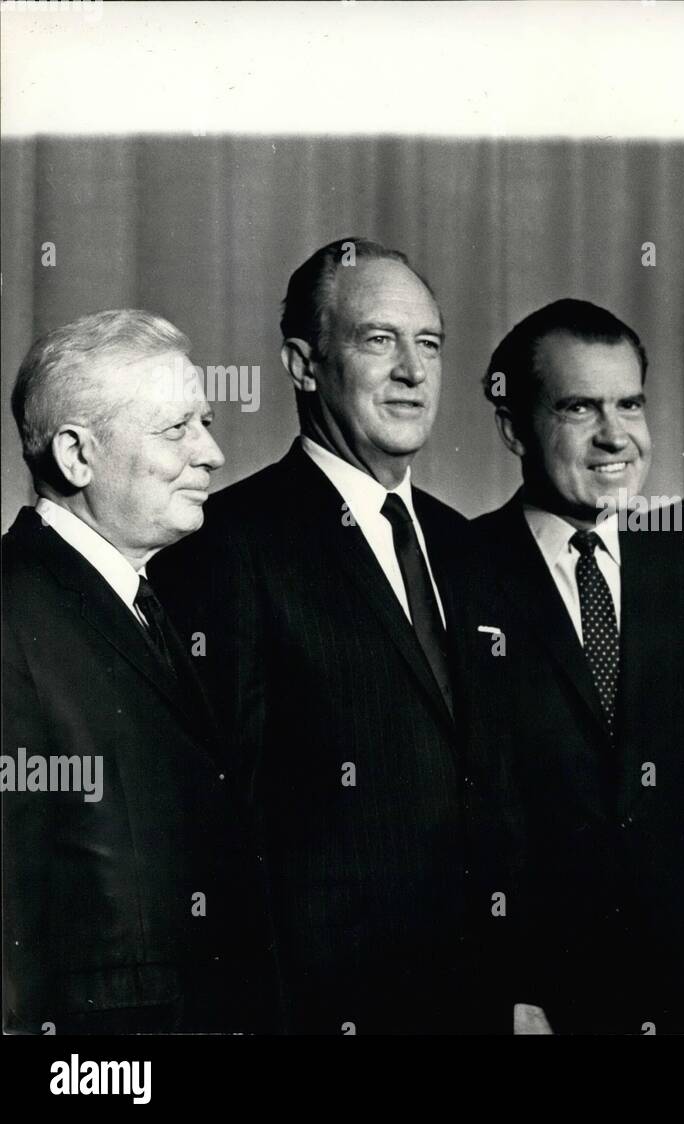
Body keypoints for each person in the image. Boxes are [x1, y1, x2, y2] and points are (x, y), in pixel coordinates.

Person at [151, 238, 497, 1034]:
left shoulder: (467, 547)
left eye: (430, 344)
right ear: (304, 365)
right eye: (379, 340)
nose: (413, 370)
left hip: (474, 1003)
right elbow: (214, 826)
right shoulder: (226, 546)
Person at [458, 298, 684, 1034]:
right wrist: (508, 986)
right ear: (514, 427)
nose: (615, 436)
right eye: (578, 408)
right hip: (543, 1000)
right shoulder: (458, 571)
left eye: (630, 404)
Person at [2, 309, 271, 1033]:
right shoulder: (11, 614)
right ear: (77, 456)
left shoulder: (144, 599)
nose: (213, 453)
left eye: (206, 423)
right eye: (177, 429)